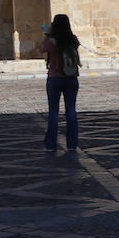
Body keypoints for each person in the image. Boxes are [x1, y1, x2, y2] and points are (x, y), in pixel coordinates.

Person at [41, 14, 81, 152]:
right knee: (71, 111)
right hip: (71, 78)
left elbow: (42, 49)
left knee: (53, 112)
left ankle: (51, 144)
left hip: (55, 78)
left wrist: (47, 33)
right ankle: (72, 143)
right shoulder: (73, 40)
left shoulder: (51, 41)